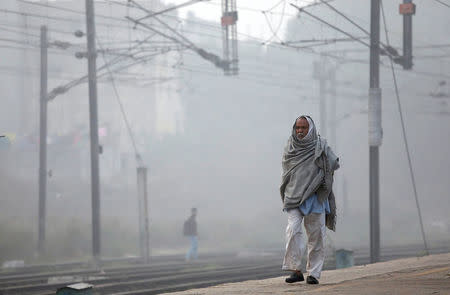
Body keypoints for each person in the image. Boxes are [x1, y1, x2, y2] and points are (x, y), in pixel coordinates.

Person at [279, 115, 339, 285]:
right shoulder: (290, 146)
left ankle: (313, 273)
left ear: (310, 129)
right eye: (298, 128)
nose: (300, 131)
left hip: (315, 197)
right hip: (293, 196)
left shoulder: (321, 145)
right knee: (292, 230)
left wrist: (322, 176)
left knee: (316, 235)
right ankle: (296, 270)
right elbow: (287, 169)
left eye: (304, 128)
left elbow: (333, 163)